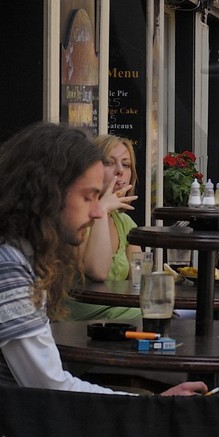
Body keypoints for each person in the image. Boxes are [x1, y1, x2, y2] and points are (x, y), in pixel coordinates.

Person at [0, 122, 205, 395]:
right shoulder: (3, 268)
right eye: (88, 197)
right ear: (47, 196)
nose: (97, 213)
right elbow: (48, 386)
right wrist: (152, 407)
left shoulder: (8, 255)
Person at [66, 134, 142, 323]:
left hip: (125, 318)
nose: (120, 172)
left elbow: (140, 282)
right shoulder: (76, 217)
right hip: (82, 324)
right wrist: (102, 208)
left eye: (126, 165)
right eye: (109, 163)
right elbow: (97, 271)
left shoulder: (125, 223)